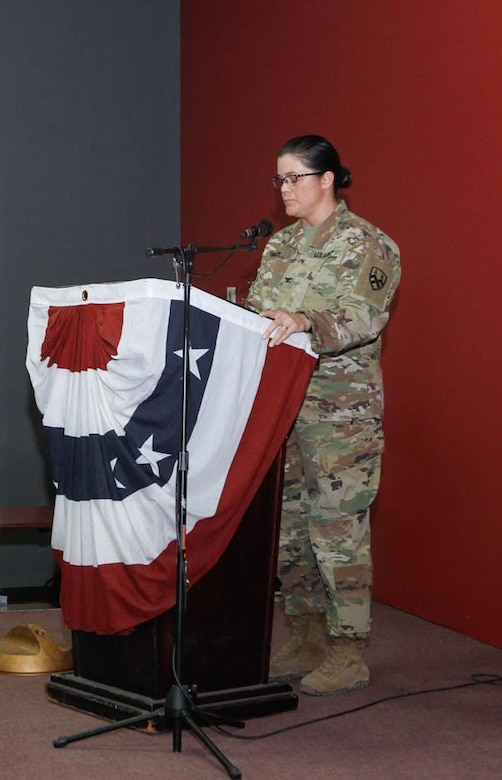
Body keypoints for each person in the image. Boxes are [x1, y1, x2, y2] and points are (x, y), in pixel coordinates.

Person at [245, 135, 401, 696]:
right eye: (279, 179)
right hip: (282, 409)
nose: (285, 189)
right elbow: (260, 311)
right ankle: (306, 632)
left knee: (338, 533)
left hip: (342, 415)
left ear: (327, 178)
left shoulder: (369, 244)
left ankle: (348, 649)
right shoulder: (281, 245)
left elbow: (363, 317)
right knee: (288, 531)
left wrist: (305, 320)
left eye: (295, 178)